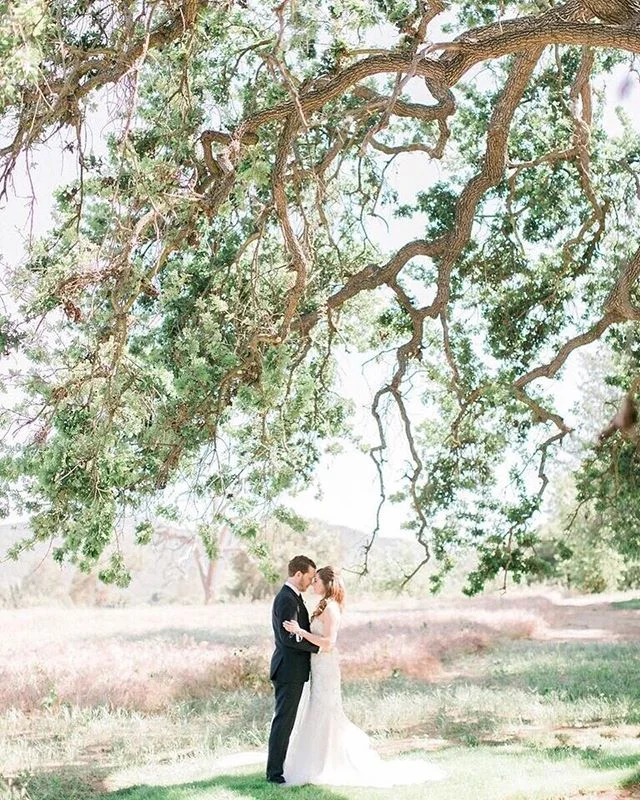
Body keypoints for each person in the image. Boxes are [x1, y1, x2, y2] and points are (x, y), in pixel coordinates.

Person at [281, 565, 445, 787]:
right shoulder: (322, 605)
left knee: (325, 710)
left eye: (317, 580)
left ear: (328, 584)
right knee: (316, 710)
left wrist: (300, 632)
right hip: (317, 666)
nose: (313, 584)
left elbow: (329, 643)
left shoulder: (331, 608)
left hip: (326, 667)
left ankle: (328, 763)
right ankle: (316, 761)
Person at [266, 554, 319, 784]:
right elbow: (289, 637)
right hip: (288, 670)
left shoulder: (293, 597)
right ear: (298, 574)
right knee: (283, 721)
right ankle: (274, 774)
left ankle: (278, 768)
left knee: (286, 721)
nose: (310, 582)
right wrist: (317, 647)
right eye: (309, 577)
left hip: (292, 670)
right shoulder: (287, 599)